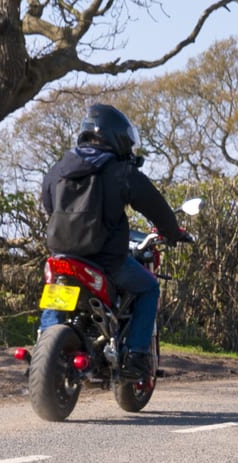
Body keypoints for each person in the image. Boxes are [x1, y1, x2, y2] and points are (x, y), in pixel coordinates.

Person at [39, 103, 192, 379]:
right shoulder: (119, 169)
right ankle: (135, 356)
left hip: (61, 255)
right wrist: (172, 232)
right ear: (118, 137)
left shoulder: (60, 167)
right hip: (105, 260)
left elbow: (50, 205)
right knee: (148, 288)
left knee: (55, 296)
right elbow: (154, 205)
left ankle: (43, 345)